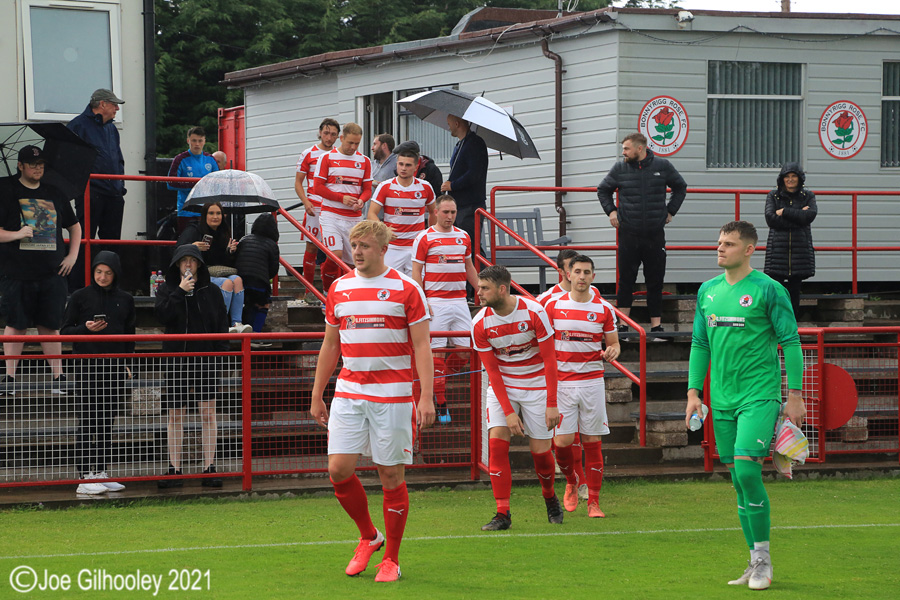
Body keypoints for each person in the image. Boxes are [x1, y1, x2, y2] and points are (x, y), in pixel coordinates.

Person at [309, 220, 434, 583]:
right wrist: (318, 393)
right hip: (349, 391)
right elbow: (331, 344)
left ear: (382, 249)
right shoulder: (339, 287)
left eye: (365, 245)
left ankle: (391, 559)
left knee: (390, 474)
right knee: (338, 470)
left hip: (393, 394)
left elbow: (423, 345)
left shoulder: (406, 288)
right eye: (354, 245)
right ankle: (369, 536)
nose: (358, 252)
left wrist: (426, 396)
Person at [685, 220, 805, 591]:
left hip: (759, 395)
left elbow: (791, 342)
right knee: (738, 480)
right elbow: (700, 345)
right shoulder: (707, 291)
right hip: (721, 400)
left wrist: (795, 396)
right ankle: (754, 560)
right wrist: (693, 393)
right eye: (719, 242)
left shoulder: (770, 290)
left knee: (749, 473)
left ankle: (765, 563)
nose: (721, 249)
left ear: (750, 249)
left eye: (729, 244)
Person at [472, 265, 563, 531]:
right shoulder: (479, 322)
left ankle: (549, 497)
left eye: (484, 288)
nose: (478, 292)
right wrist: (509, 412)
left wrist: (552, 404)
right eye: (479, 287)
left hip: (537, 387)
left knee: (541, 453)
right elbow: (492, 371)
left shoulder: (534, 311)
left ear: (502, 289)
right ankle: (503, 513)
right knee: (497, 445)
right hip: (504, 387)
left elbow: (549, 361)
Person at [0, 145, 82, 395]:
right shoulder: (5, 190)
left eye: (41, 164)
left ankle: (58, 378)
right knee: (16, 325)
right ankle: (9, 380)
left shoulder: (54, 192)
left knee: (51, 325)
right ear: (20, 166)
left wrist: (72, 256)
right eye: (32, 164)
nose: (38, 168)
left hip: (53, 271)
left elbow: (75, 227)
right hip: (16, 271)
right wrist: (17, 234)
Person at [544, 255, 619, 517]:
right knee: (563, 443)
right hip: (562, 384)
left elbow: (614, 343)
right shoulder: (552, 306)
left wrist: (612, 350)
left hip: (591, 382)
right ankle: (572, 480)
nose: (582, 277)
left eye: (587, 272)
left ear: (593, 277)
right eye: (578, 271)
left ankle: (594, 503)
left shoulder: (603, 309)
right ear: (569, 275)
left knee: (592, 442)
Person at [597, 132, 687, 340]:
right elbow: (603, 190)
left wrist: (671, 211)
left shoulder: (662, 166)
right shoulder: (620, 168)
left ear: (640, 148)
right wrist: (611, 211)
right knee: (626, 280)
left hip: (655, 234)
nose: (623, 152)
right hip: (628, 233)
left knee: (655, 280)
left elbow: (680, 187)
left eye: (627, 149)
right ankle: (623, 326)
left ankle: (657, 328)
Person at [155, 244, 230, 488]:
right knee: (175, 415)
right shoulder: (166, 289)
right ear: (177, 264)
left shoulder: (212, 291)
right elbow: (163, 317)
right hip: (177, 361)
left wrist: (220, 356)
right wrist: (178, 291)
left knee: (208, 414)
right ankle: (174, 469)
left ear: (199, 264)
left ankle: (209, 467)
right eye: (184, 260)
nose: (188, 264)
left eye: (193, 260)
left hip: (206, 361)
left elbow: (221, 326)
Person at [60, 251, 135, 495]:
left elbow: (130, 335)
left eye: (108, 272)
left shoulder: (125, 299)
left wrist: (128, 364)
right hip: (86, 369)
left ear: (115, 274)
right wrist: (86, 328)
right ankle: (84, 476)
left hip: (114, 369)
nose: (103, 277)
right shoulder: (80, 297)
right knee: (88, 422)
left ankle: (101, 472)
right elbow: (65, 331)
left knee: (106, 422)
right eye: (99, 272)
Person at [411, 195, 480, 423]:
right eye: (445, 212)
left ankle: (437, 384)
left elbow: (468, 265)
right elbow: (416, 272)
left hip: (460, 301)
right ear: (436, 212)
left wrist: (480, 289)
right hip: (436, 302)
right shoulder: (424, 237)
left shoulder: (463, 236)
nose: (450, 217)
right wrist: (422, 300)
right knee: (436, 353)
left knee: (464, 351)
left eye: (453, 212)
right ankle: (440, 402)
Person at [314, 122, 373, 294]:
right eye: (350, 143)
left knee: (352, 261)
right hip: (331, 215)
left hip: (353, 218)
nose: (353, 147)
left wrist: (361, 200)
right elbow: (318, 187)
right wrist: (341, 198)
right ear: (341, 138)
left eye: (357, 143)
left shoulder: (364, 161)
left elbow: (367, 189)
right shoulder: (326, 158)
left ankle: (347, 293)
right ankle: (327, 293)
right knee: (335, 255)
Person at [177, 202, 250, 333]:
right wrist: (193, 247)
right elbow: (177, 252)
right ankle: (220, 324)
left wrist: (229, 251)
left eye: (218, 213)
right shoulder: (193, 230)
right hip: (197, 274)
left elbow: (222, 263)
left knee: (237, 280)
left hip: (215, 272)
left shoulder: (223, 233)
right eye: (211, 213)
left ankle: (236, 323)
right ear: (204, 215)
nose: (215, 216)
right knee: (227, 283)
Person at [66, 89, 126, 241]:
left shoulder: (111, 128)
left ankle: (108, 266)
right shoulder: (78, 126)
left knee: (112, 243)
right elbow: (69, 160)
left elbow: (118, 158)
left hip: (114, 193)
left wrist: (120, 187)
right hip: (90, 193)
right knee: (85, 240)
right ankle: (81, 266)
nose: (117, 109)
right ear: (103, 104)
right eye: (114, 105)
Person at [367, 147, 437, 276]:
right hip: (392, 247)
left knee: (416, 287)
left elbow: (434, 212)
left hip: (416, 247)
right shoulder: (385, 186)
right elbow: (371, 214)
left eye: (408, 165)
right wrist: (384, 230)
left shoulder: (425, 187)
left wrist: (430, 234)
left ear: (416, 167)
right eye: (401, 164)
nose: (403, 168)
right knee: (390, 285)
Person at [764, 162, 817, 319]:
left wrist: (785, 212)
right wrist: (798, 215)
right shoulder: (773, 196)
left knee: (795, 292)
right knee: (775, 292)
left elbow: (810, 216)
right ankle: (775, 325)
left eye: (794, 176)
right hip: (777, 253)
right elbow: (771, 219)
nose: (790, 179)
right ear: (782, 179)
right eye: (787, 176)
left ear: (800, 178)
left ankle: (791, 328)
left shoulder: (808, 196)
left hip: (799, 253)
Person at [295, 118, 340, 300]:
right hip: (314, 206)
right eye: (326, 133)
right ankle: (308, 291)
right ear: (320, 132)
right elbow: (298, 182)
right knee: (311, 247)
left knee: (335, 250)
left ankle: (331, 291)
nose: (329, 137)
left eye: (333, 134)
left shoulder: (339, 154)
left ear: (338, 136)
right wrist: (306, 202)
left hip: (334, 207)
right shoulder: (309, 153)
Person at [442, 115, 488, 251]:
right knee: (460, 245)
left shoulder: (474, 143)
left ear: (457, 124)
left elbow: (474, 174)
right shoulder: (461, 144)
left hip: (470, 205)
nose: (448, 127)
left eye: (449, 123)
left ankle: (482, 273)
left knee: (470, 246)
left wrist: (453, 185)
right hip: (459, 205)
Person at [167, 126, 220, 235]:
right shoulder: (180, 159)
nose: (197, 144)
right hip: (186, 211)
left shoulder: (210, 159)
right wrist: (195, 185)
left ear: (204, 141)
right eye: (194, 140)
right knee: (187, 243)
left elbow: (217, 183)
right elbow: (170, 183)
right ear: (188, 141)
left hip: (206, 210)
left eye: (200, 141)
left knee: (207, 243)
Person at [236, 213, 280, 336]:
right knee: (263, 305)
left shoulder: (244, 239)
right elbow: (273, 269)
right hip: (260, 280)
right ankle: (255, 335)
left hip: (241, 280)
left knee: (249, 303)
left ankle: (244, 331)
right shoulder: (272, 244)